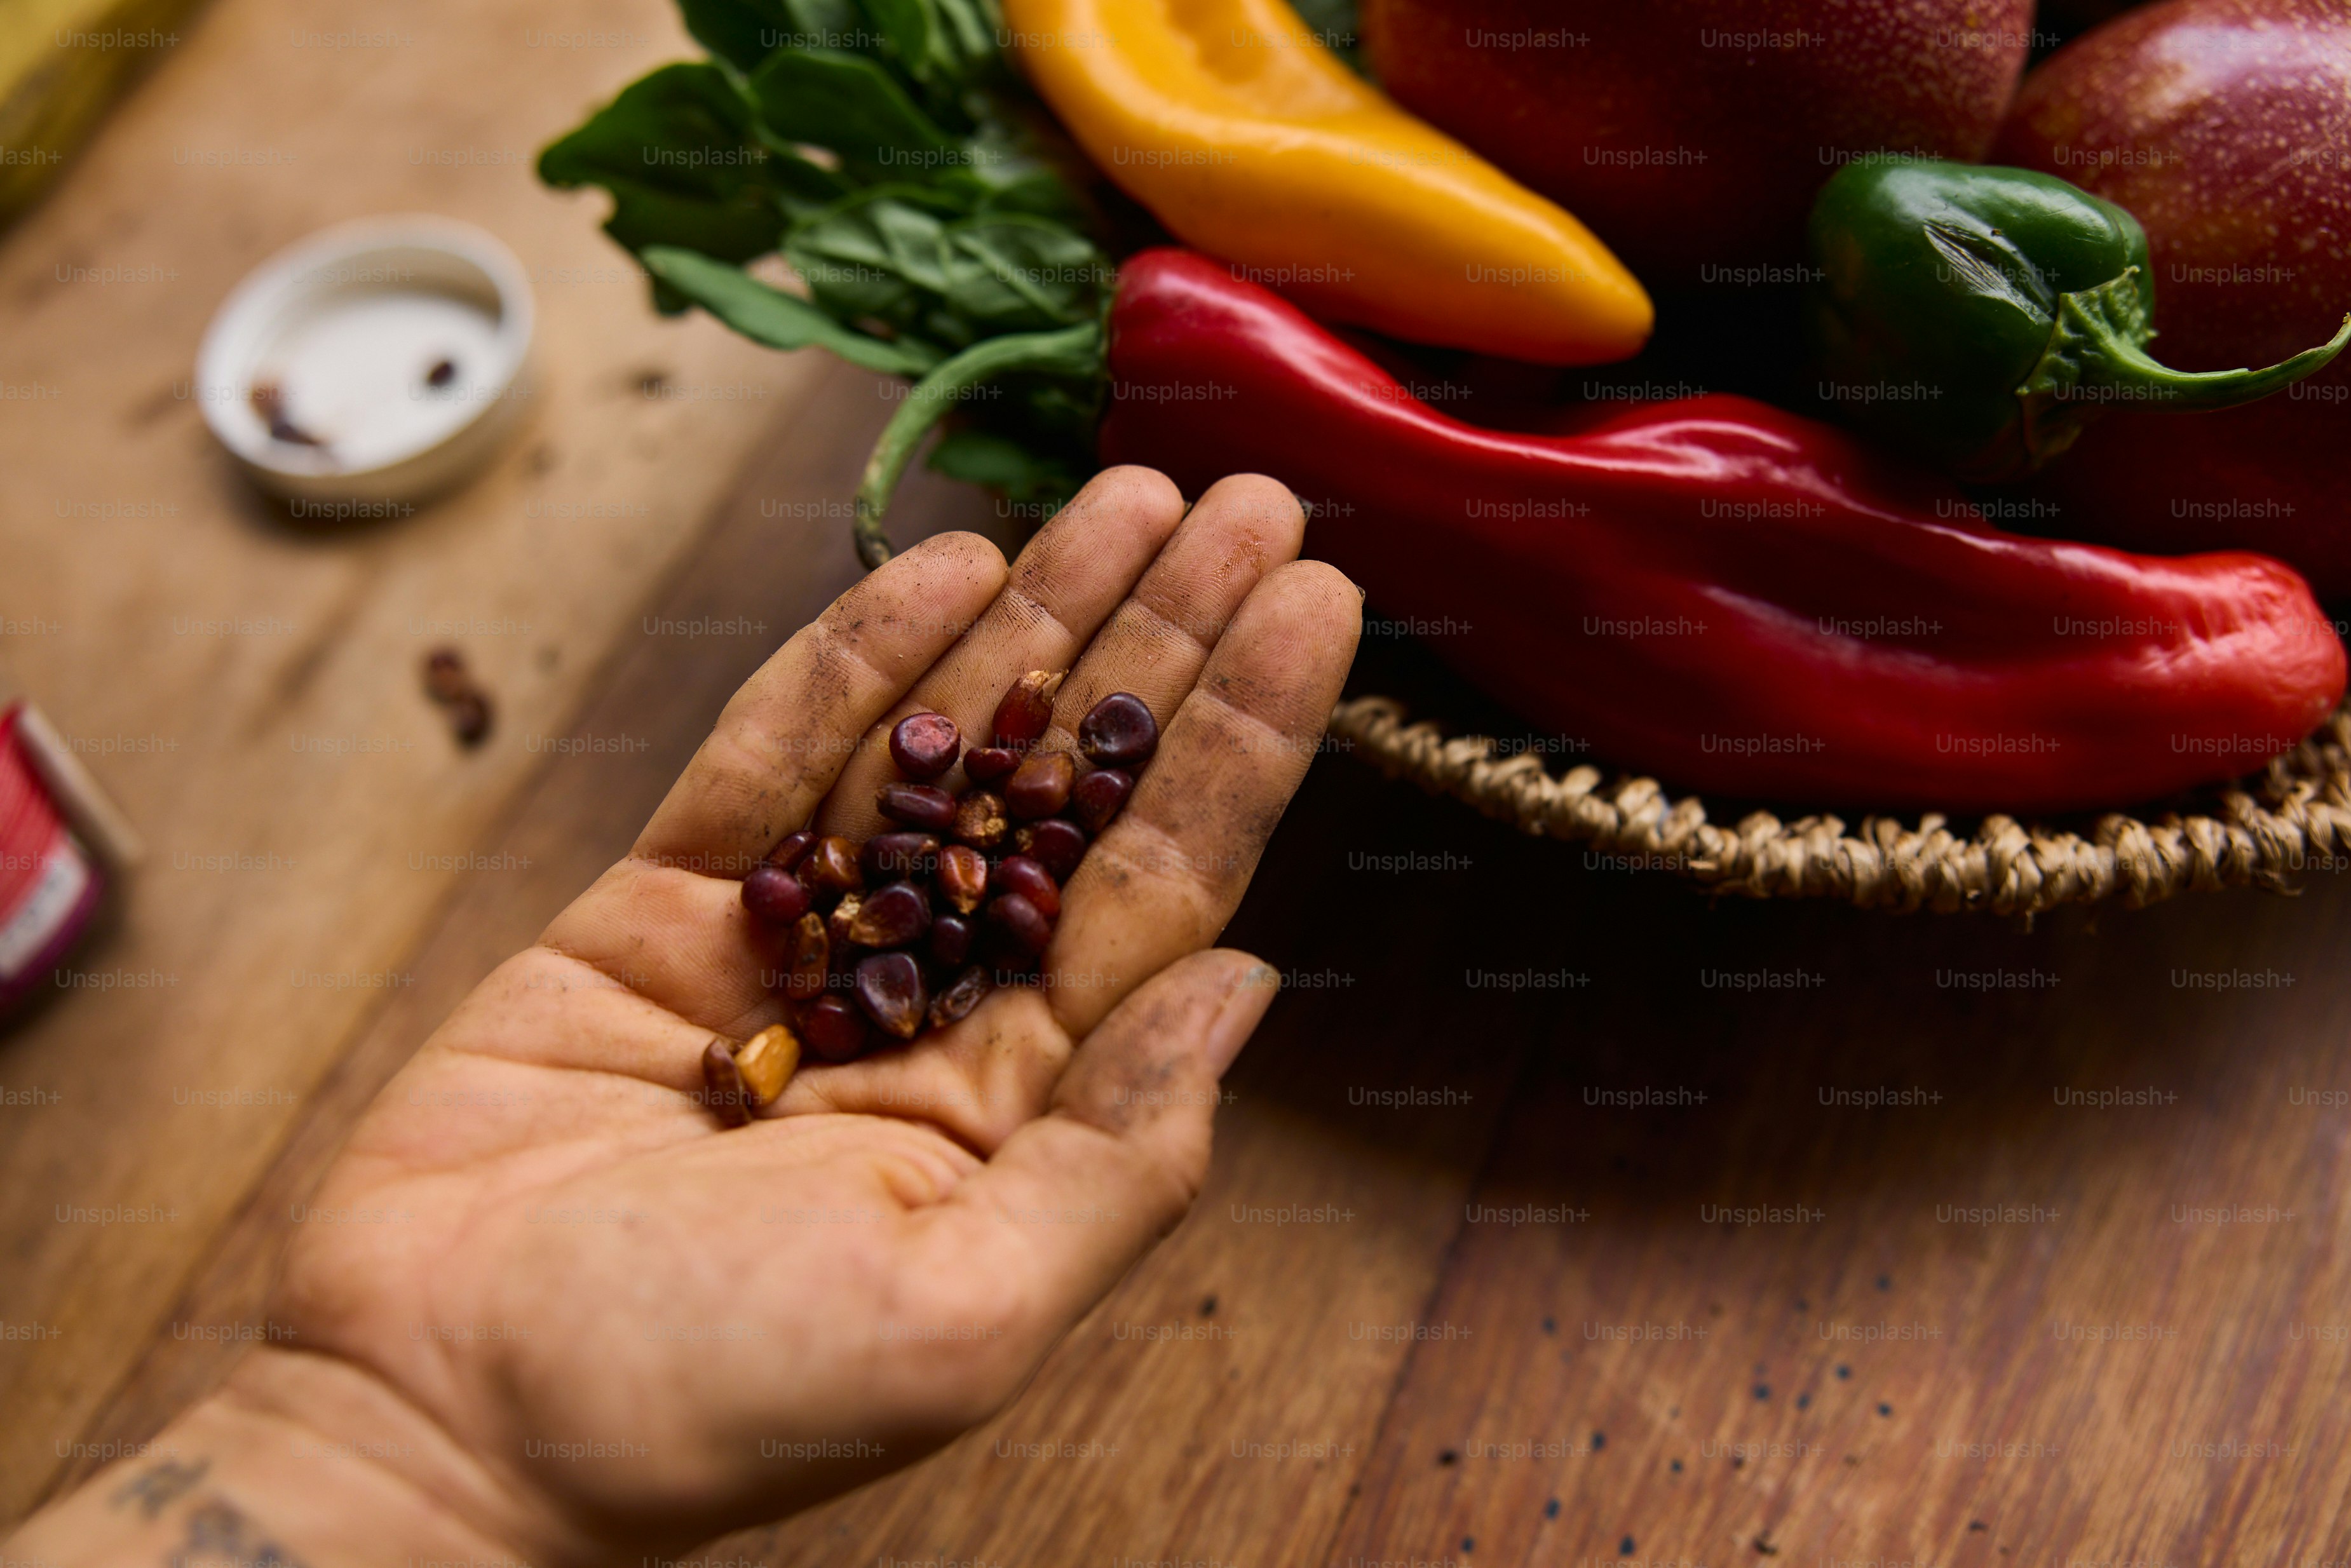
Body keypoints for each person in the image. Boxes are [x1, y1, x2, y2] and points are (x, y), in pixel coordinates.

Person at [5, 468, 1360, 1568]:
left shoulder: (917, 903)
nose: (980, 833)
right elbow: (920, 908)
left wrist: (408, 1433)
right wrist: (428, 1436)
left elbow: (935, 897)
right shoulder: (883, 934)